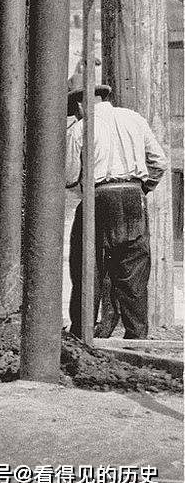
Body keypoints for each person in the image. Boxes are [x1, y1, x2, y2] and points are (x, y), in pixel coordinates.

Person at [66, 85, 167, 340]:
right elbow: (159, 162)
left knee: (87, 268)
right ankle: (137, 339)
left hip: (98, 198)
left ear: (79, 105)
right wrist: (143, 188)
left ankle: (82, 336)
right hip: (133, 197)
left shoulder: (80, 128)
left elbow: (68, 176)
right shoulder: (134, 119)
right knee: (133, 273)